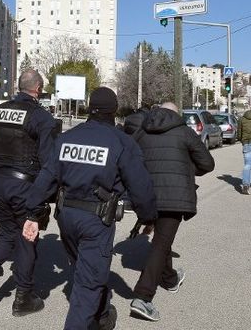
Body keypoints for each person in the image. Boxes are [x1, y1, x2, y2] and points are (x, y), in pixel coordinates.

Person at [23, 87, 157, 330]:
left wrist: (32, 212)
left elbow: (47, 176)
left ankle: (103, 316)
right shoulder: (121, 142)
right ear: (114, 111)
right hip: (95, 221)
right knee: (88, 283)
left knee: (87, 271)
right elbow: (140, 184)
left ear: (88, 108)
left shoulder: (67, 138)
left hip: (66, 218)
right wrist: (148, 217)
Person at [0, 69, 60, 316]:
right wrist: (45, 194)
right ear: (39, 89)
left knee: (7, 232)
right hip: (25, 185)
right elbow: (49, 161)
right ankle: (23, 298)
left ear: (19, 86)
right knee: (27, 237)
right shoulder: (41, 117)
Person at [129, 102, 214, 321]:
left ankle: (170, 279)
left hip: (145, 195)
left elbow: (128, 159)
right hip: (174, 198)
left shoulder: (142, 131)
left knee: (162, 240)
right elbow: (208, 164)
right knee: (160, 244)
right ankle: (142, 297)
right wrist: (184, 169)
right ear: (176, 114)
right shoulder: (184, 132)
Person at [236, 109, 251, 194]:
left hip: (246, 143)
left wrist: (241, 140)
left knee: (247, 164)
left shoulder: (242, 119)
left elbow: (239, 133)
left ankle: (245, 185)